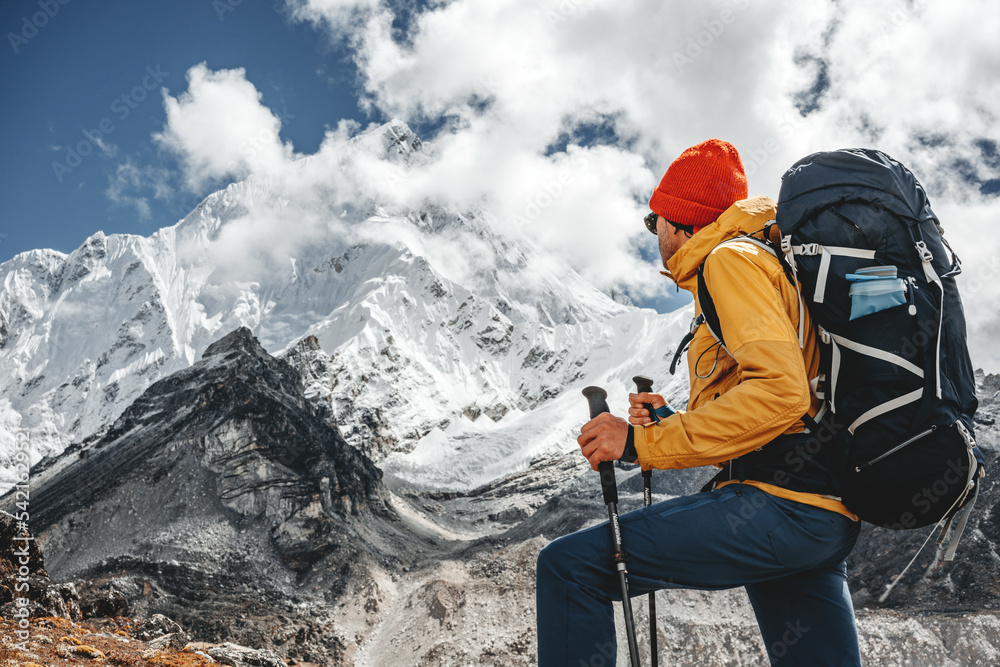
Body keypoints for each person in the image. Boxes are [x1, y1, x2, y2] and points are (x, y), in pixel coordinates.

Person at [535, 139, 862, 666]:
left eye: (654, 222)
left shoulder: (729, 261)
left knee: (570, 567)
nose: (653, 234)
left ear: (680, 222)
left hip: (780, 506)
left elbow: (780, 395)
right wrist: (671, 422)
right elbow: (779, 416)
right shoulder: (766, 261)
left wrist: (641, 441)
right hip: (823, 514)